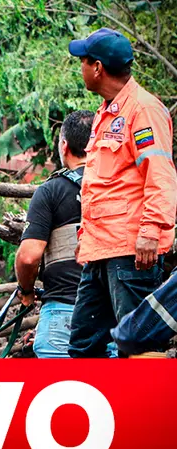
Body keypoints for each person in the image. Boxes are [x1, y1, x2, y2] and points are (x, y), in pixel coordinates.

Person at [65, 28, 177, 358]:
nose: (81, 67)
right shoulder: (107, 112)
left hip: (131, 251)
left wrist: (151, 231)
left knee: (136, 344)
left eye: (83, 61)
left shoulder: (143, 110)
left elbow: (160, 174)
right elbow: (104, 184)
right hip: (100, 250)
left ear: (97, 67)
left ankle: (151, 393)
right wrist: (86, 239)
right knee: (83, 346)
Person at [15, 111, 94, 357]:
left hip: (64, 311)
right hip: (114, 314)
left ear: (64, 146)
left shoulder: (51, 191)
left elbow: (28, 257)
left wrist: (26, 291)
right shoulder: (120, 188)